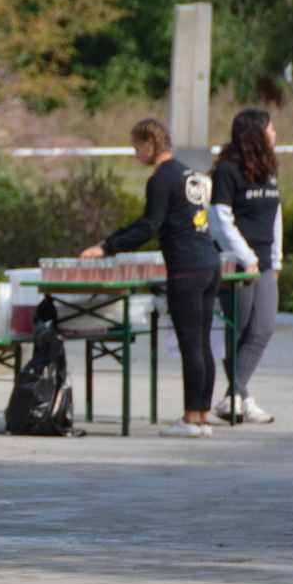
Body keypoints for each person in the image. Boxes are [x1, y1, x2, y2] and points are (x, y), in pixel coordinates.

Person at [80, 118, 220, 438]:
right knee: (203, 344)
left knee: (190, 346)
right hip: (210, 264)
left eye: (136, 147)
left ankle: (188, 419)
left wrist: (107, 247)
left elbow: (148, 226)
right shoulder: (189, 174)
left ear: (149, 144)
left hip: (186, 268)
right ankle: (202, 417)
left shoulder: (160, 179)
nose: (135, 155)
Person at [208, 108, 282, 424]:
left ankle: (235, 396)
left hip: (263, 263)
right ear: (255, 133)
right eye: (271, 128)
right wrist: (246, 258)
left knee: (263, 327)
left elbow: (275, 217)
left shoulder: (269, 171)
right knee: (237, 330)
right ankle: (240, 398)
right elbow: (219, 219)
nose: (275, 133)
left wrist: (275, 259)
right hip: (235, 264)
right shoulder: (227, 170)